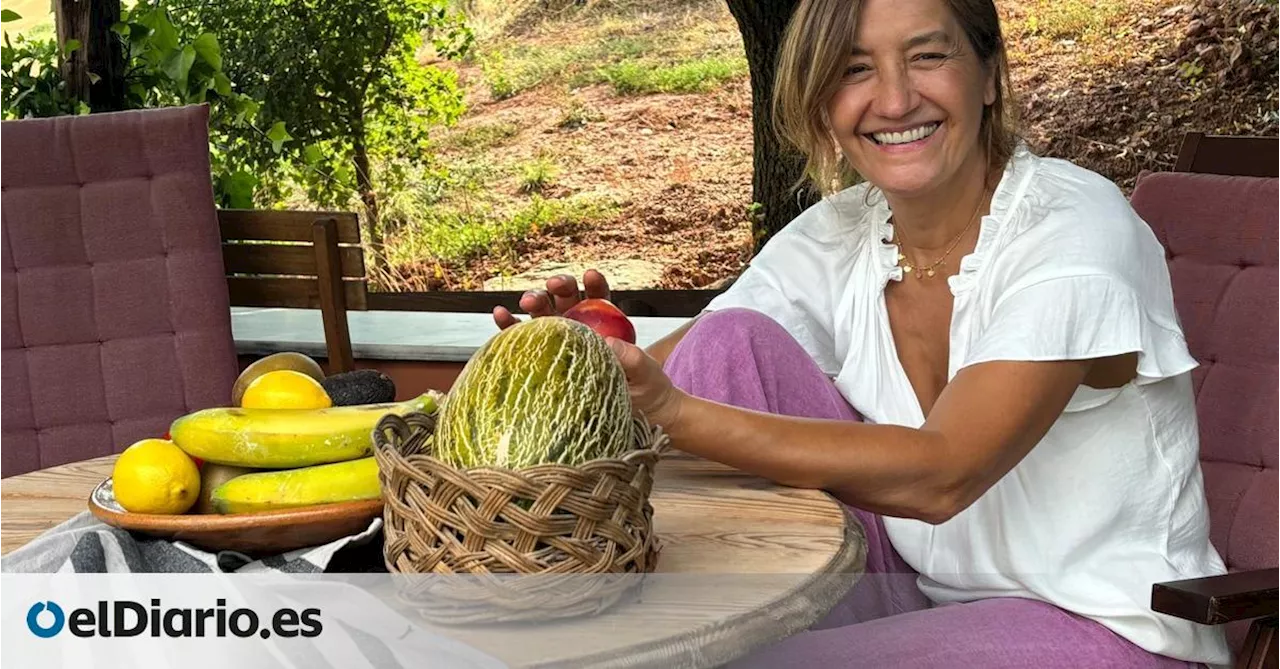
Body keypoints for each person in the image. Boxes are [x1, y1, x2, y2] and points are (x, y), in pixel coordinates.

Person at [493, 0, 1233, 666]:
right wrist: (575, 360)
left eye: (927, 55)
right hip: (912, 591)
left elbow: (945, 474)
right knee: (726, 342)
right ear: (823, 105)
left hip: (1099, 629)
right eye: (854, 68)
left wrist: (676, 412)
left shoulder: (1076, 230)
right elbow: (662, 373)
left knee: (719, 661)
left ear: (988, 75)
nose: (895, 98)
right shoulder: (843, 233)